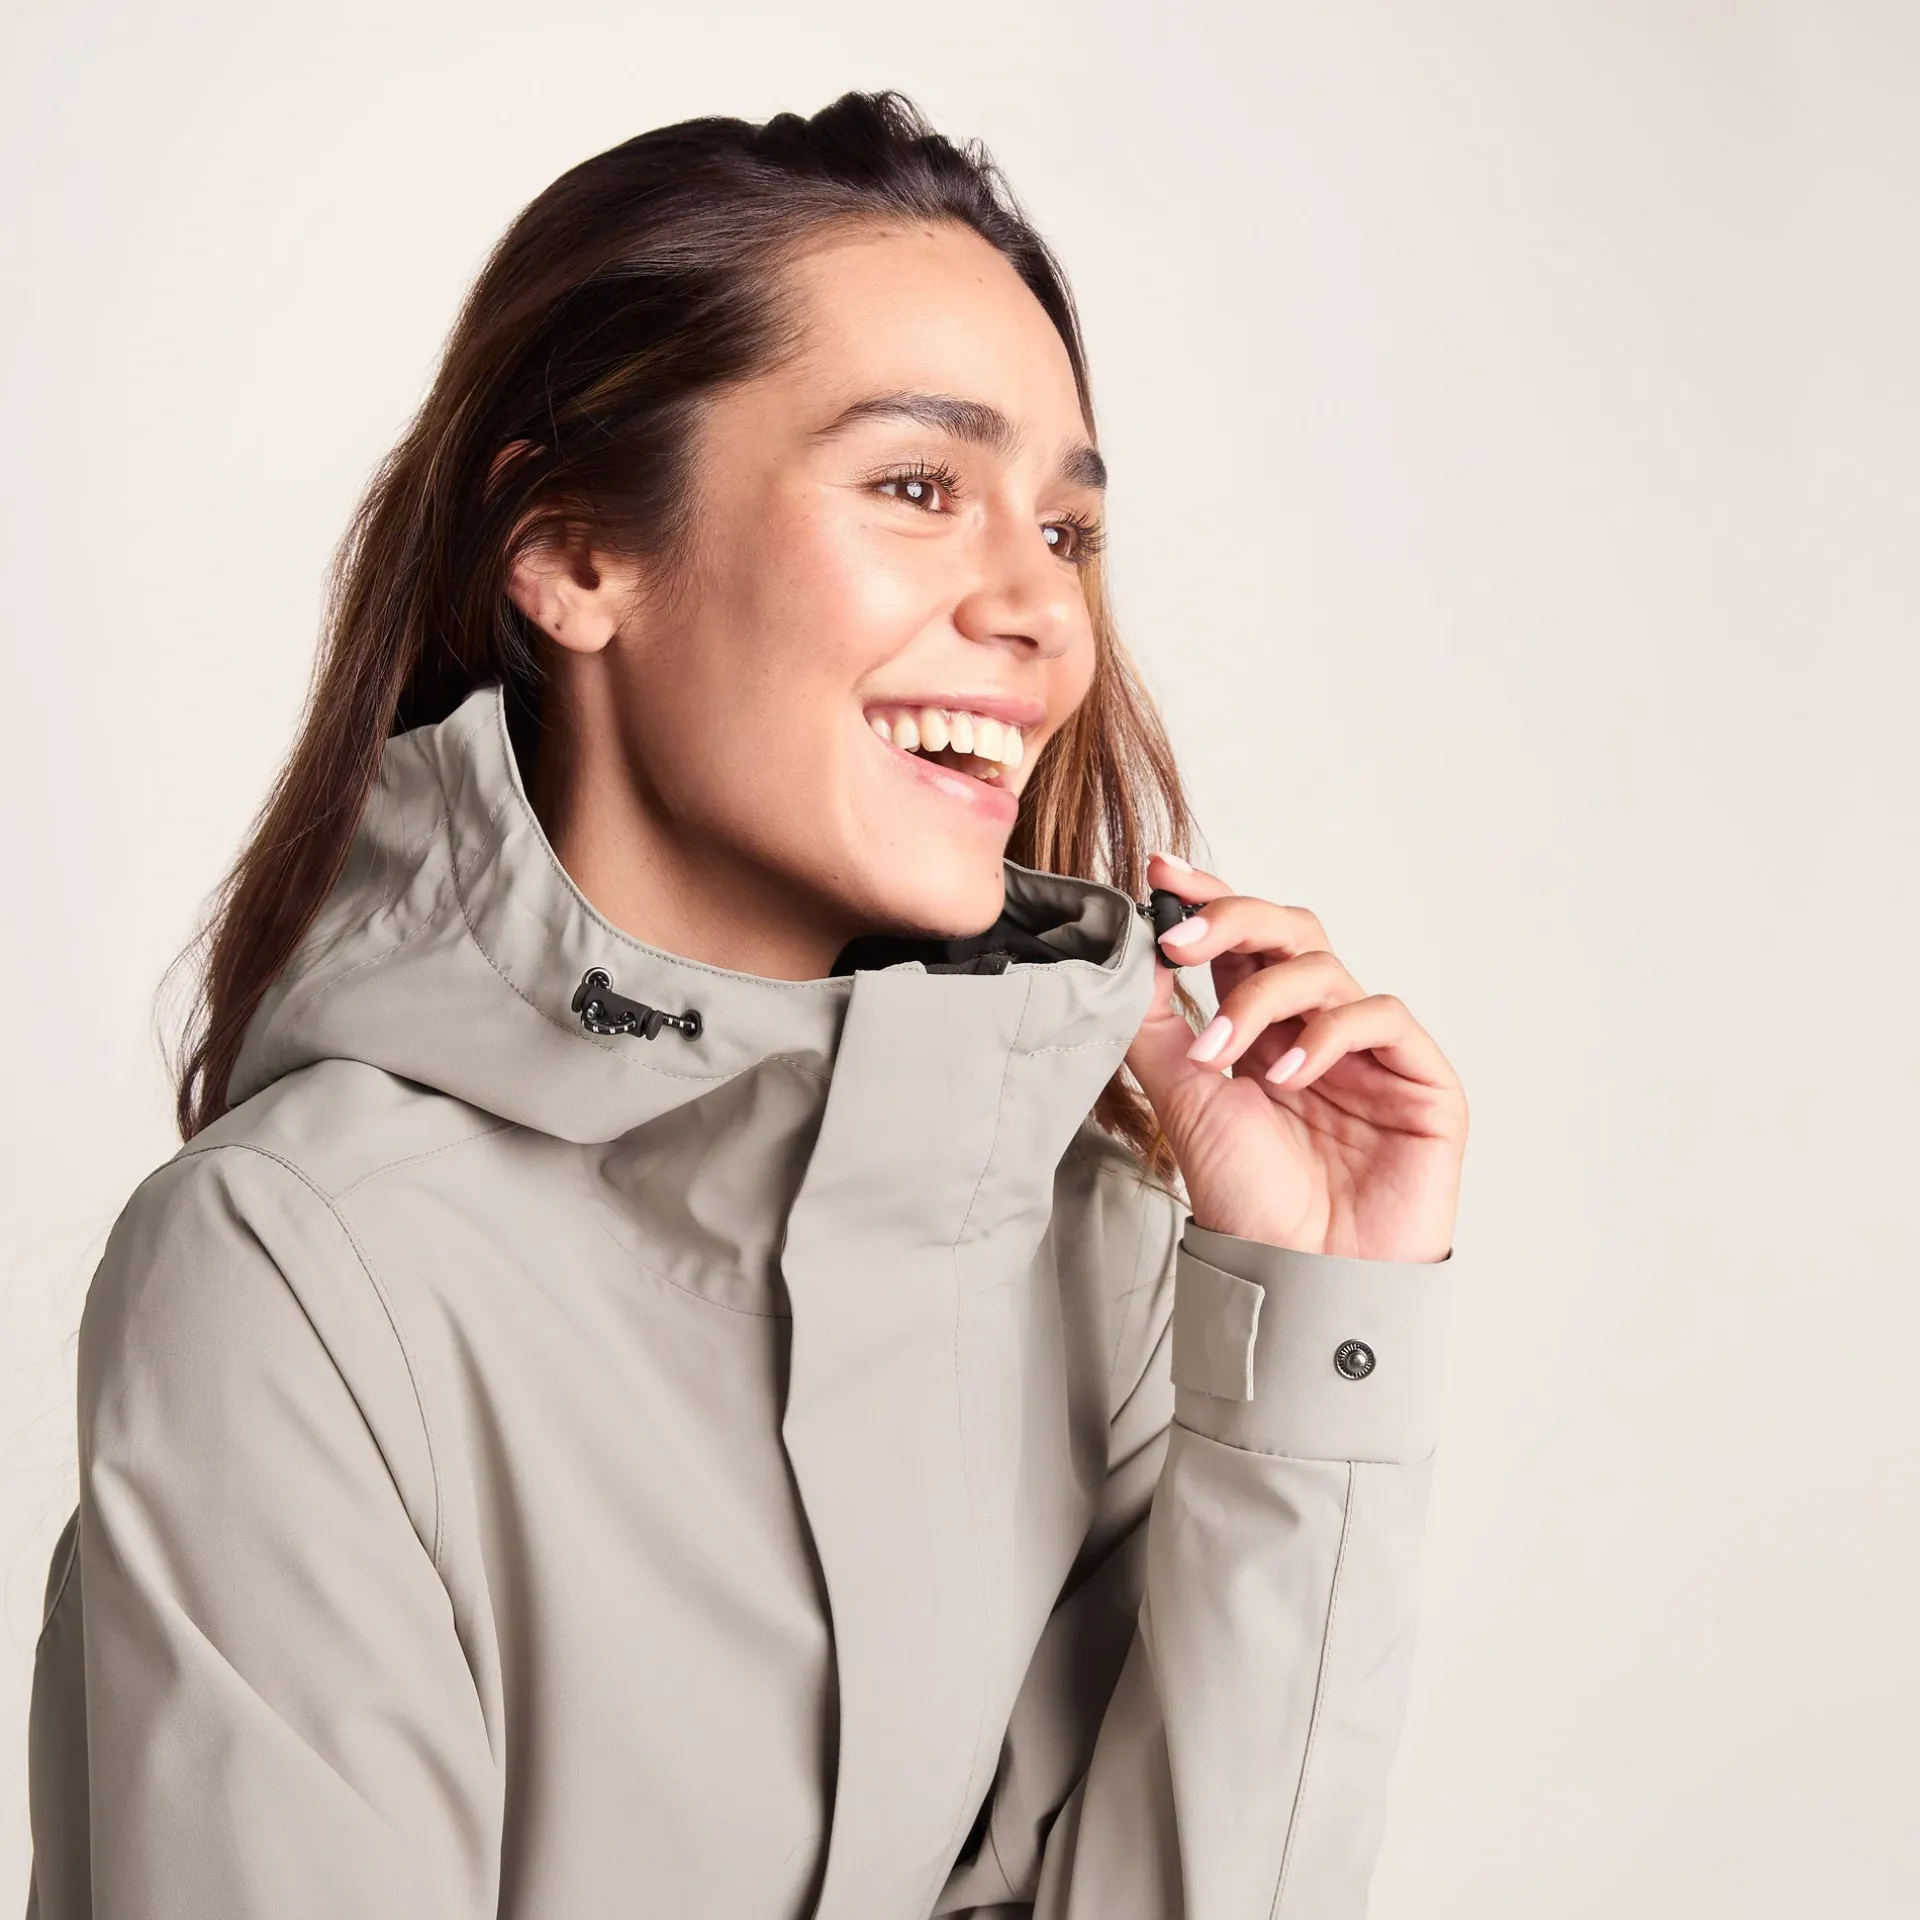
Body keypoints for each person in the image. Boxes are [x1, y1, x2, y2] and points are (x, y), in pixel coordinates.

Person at [24, 89, 1468, 1920]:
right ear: (575, 555)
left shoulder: (1102, 1259)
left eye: (1067, 530)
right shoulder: (303, 1267)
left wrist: (1316, 1325)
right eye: (918, 488)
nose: (1043, 610)